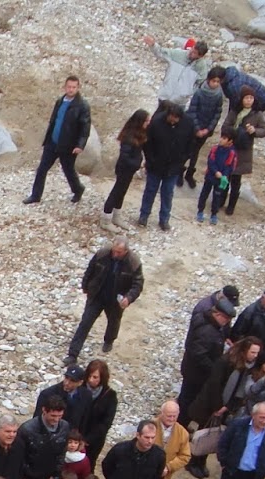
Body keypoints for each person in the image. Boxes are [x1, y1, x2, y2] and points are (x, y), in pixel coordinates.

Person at [188, 337, 260, 475]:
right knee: (204, 432)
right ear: (244, 350)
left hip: (227, 406)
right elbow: (214, 384)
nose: (255, 356)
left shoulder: (248, 367)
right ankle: (194, 461)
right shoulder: (225, 362)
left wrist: (228, 407)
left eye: (257, 353)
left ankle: (202, 460)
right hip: (211, 403)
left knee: (213, 434)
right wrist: (218, 406)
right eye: (253, 352)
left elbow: (240, 390)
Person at [66, 238, 143, 363]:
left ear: (125, 251)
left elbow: (138, 284)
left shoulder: (133, 263)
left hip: (115, 299)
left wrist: (128, 298)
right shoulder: (102, 254)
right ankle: (72, 354)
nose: (115, 254)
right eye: (114, 251)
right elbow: (90, 270)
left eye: (119, 252)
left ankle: (109, 340)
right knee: (85, 323)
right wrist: (85, 286)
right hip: (97, 295)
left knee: (113, 321)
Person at [24, 75, 91, 205]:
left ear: (78, 88)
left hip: (68, 145)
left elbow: (85, 127)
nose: (71, 90)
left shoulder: (82, 106)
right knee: (42, 168)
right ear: (64, 87)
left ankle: (78, 189)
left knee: (68, 170)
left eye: (74, 87)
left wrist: (80, 145)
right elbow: (54, 120)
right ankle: (35, 195)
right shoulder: (60, 101)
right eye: (69, 87)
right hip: (53, 142)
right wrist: (48, 138)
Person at [137, 100, 195, 230]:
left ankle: (164, 219)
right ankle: (144, 215)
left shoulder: (188, 124)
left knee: (168, 193)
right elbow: (148, 144)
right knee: (150, 190)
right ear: (168, 114)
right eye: (171, 117)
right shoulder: (156, 122)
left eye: (176, 118)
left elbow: (190, 145)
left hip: (174, 167)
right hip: (155, 165)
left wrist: (182, 161)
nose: (173, 120)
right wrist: (150, 160)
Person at [221, 89, 265, 216]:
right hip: (230, 146)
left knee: (236, 180)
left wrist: (254, 131)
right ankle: (220, 200)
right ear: (241, 99)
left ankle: (231, 206)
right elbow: (225, 125)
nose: (248, 101)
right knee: (225, 176)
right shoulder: (234, 111)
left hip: (243, 151)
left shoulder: (257, 114)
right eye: (246, 98)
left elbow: (264, 130)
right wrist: (236, 131)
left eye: (251, 98)